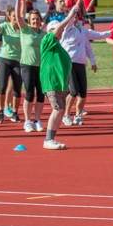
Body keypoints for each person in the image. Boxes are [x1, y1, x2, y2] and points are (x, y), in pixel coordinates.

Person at [60, 1, 113, 126]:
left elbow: (96, 35)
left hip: (80, 64)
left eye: (76, 17)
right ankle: (66, 115)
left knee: (83, 93)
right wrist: (77, 4)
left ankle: (77, 116)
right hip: (69, 63)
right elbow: (69, 19)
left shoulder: (82, 30)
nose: (74, 19)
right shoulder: (66, 29)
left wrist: (110, 33)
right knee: (73, 91)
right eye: (72, 17)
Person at [41, 11, 76, 149]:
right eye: (57, 31)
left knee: (61, 110)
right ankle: (48, 139)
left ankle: (52, 138)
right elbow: (56, 30)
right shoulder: (47, 41)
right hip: (51, 83)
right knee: (57, 109)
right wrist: (69, 16)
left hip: (60, 85)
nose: (59, 34)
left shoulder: (59, 46)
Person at [14, 0, 46, 133]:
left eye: (37, 19)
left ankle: (37, 121)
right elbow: (17, 16)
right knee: (29, 94)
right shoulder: (25, 30)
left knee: (41, 95)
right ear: (29, 20)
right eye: (33, 19)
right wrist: (18, 0)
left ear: (41, 20)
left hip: (41, 68)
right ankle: (27, 121)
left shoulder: (44, 35)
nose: (35, 21)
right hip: (27, 66)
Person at [0, 6, 23, 125]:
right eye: (13, 16)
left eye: (17, 16)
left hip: (18, 61)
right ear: (9, 17)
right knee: (2, 87)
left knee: (17, 89)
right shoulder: (5, 26)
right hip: (5, 60)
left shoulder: (23, 28)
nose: (16, 18)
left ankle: (15, 113)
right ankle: (1, 112)